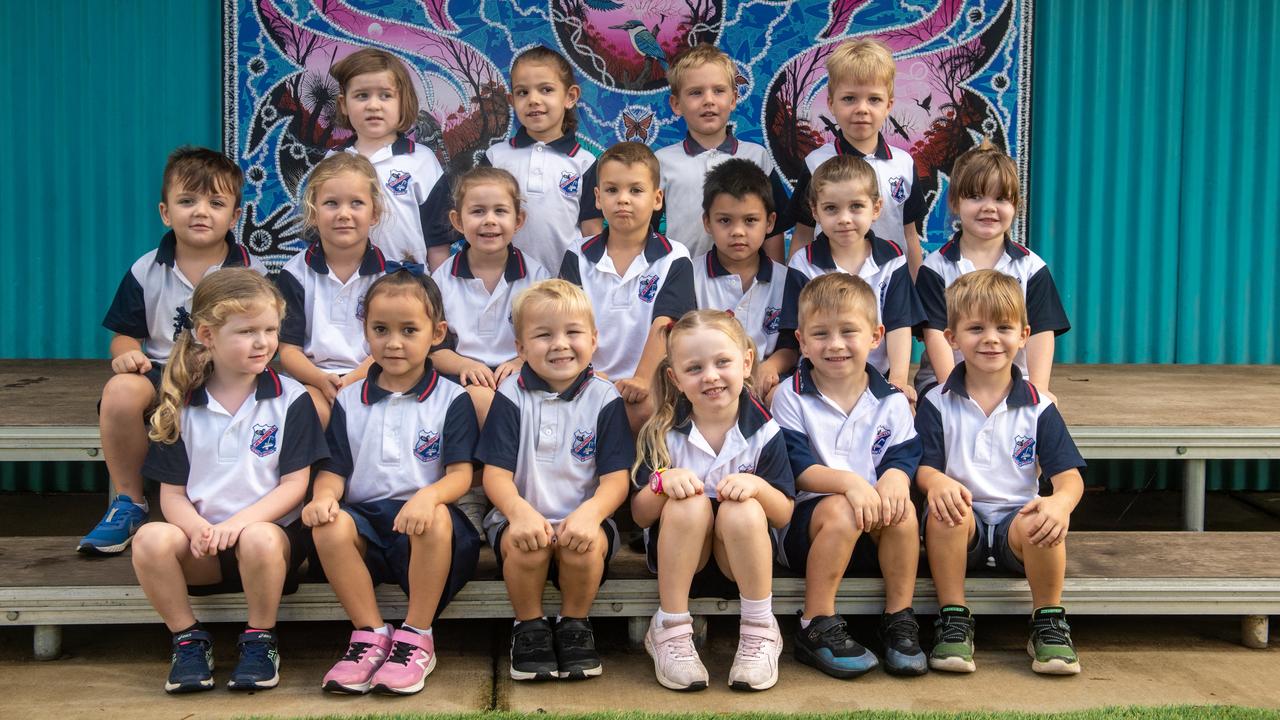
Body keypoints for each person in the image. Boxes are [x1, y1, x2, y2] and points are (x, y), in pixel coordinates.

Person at [130, 268, 327, 693]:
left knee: (259, 536)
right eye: (246, 331)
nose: (263, 342)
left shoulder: (292, 399)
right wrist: (199, 529)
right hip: (202, 549)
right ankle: (188, 640)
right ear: (206, 334)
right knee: (149, 539)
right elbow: (173, 495)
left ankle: (260, 640)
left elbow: (295, 485)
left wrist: (237, 525)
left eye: (271, 330)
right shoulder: (179, 404)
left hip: (269, 550)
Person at [79, 146, 265, 555]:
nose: (201, 211)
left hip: (227, 375)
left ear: (235, 217)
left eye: (216, 203)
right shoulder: (147, 269)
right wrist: (126, 354)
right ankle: (130, 502)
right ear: (165, 212)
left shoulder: (252, 274)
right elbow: (124, 335)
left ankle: (239, 505)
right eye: (187, 201)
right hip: (163, 370)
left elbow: (265, 340)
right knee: (121, 390)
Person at [304, 267, 481, 695]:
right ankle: (369, 636)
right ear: (364, 331)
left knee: (435, 516)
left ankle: (417, 635)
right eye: (380, 329)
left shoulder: (452, 399)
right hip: (367, 525)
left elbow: (461, 476)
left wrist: (427, 497)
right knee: (328, 523)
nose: (394, 342)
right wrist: (324, 497)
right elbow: (335, 470)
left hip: (428, 533)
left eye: (409, 330)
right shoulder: (348, 399)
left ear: (436, 333)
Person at [914, 270, 1086, 675]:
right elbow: (922, 468)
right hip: (964, 524)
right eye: (975, 328)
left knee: (1042, 519)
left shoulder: (1039, 406)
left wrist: (1060, 503)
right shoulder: (936, 403)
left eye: (1003, 328)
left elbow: (1069, 477)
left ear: (1024, 335)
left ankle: (1047, 621)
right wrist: (935, 481)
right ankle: (954, 619)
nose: (991, 338)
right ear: (952, 338)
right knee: (945, 511)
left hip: (1015, 526)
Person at [771, 273, 925, 678]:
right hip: (806, 530)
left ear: (875, 336)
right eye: (820, 334)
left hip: (870, 527)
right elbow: (798, 470)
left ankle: (898, 619)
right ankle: (815, 622)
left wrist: (895, 478)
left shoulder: (890, 400)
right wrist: (853, 483)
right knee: (841, 508)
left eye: (848, 332)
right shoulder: (790, 395)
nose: (835, 344)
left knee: (903, 509)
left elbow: (904, 455)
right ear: (801, 341)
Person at [477, 279, 632, 681]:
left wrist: (590, 516)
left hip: (584, 516)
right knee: (525, 546)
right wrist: (520, 514)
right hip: (521, 516)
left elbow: (615, 481)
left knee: (584, 547)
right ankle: (528, 628)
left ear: (594, 339)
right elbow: (495, 475)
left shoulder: (606, 398)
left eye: (573, 333)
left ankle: (574, 626)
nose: (560, 344)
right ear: (521, 348)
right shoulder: (510, 395)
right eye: (543, 335)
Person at [632, 310, 795, 692]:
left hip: (741, 564)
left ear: (746, 362)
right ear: (675, 377)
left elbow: (784, 512)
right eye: (694, 368)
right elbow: (639, 516)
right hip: (679, 564)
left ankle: (759, 629)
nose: (711, 376)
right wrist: (660, 483)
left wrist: (757, 487)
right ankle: (670, 630)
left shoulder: (765, 432)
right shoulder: (662, 432)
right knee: (688, 503)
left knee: (743, 508)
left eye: (723, 362)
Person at [914, 140, 1069, 398]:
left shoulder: (1032, 267)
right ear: (954, 202)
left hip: (1014, 382)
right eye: (976, 196)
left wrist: (1039, 391)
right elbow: (935, 336)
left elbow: (1041, 332)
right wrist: (952, 392)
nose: (989, 207)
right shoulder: (936, 268)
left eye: (1001, 198)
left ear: (1015, 205)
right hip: (944, 382)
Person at [559, 142, 697, 432]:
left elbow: (667, 322)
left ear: (657, 198)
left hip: (648, 384)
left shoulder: (675, 256)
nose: (623, 199)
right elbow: (569, 324)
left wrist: (643, 379)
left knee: (641, 409)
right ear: (597, 198)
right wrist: (591, 379)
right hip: (585, 378)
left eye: (636, 190)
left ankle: (635, 477)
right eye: (612, 190)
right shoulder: (577, 254)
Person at [784, 38, 926, 275]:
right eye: (849, 98)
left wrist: (917, 292)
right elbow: (803, 233)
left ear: (889, 105)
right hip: (829, 289)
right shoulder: (816, 163)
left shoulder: (903, 164)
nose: (862, 108)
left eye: (874, 99)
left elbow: (910, 234)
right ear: (831, 103)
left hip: (888, 290)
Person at [787, 155, 924, 401]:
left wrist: (898, 382)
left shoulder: (892, 259)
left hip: (880, 379)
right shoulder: (803, 263)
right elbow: (797, 333)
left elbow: (899, 324)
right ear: (815, 211)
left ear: (876, 208)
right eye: (831, 208)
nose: (844, 219)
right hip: (817, 380)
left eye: (856, 206)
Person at [277, 153, 387, 427]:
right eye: (331, 203)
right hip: (312, 378)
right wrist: (320, 380)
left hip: (375, 373)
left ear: (374, 213)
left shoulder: (389, 277)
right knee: (313, 413)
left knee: (374, 415)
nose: (343, 214)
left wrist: (353, 380)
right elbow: (288, 350)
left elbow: (389, 346)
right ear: (314, 212)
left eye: (356, 203)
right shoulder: (294, 274)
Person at [429, 166, 550, 412]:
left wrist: (520, 360)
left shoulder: (536, 277)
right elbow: (432, 350)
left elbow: (548, 337)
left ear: (518, 221)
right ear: (457, 221)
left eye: (500, 211)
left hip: (521, 372)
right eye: (477, 211)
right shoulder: (442, 279)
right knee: (479, 399)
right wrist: (464, 366)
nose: (489, 220)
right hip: (459, 376)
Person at [655, 44, 790, 260]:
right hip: (683, 281)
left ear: (733, 99)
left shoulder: (757, 157)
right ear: (676, 104)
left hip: (749, 283)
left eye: (718, 91)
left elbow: (775, 229)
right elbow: (648, 230)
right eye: (696, 93)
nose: (709, 100)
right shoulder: (662, 162)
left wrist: (776, 279)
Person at [328, 47, 453, 268]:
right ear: (343, 104)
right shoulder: (332, 162)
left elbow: (438, 240)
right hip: (347, 285)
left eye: (385, 95)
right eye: (361, 95)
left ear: (402, 101)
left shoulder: (421, 160)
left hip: (408, 289)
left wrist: (438, 290)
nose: (373, 105)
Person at [692, 158, 805, 398]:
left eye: (750, 220)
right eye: (725, 220)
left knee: (782, 396)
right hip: (707, 381)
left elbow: (792, 344)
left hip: (767, 379)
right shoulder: (690, 275)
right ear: (707, 223)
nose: (738, 231)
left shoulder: (787, 280)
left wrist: (771, 366)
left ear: (770, 222)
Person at [484, 46, 603, 270]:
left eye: (546, 90)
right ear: (511, 100)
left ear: (570, 97)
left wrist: (590, 280)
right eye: (522, 92)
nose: (533, 100)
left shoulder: (584, 163)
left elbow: (591, 232)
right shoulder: (495, 158)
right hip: (506, 281)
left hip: (564, 287)